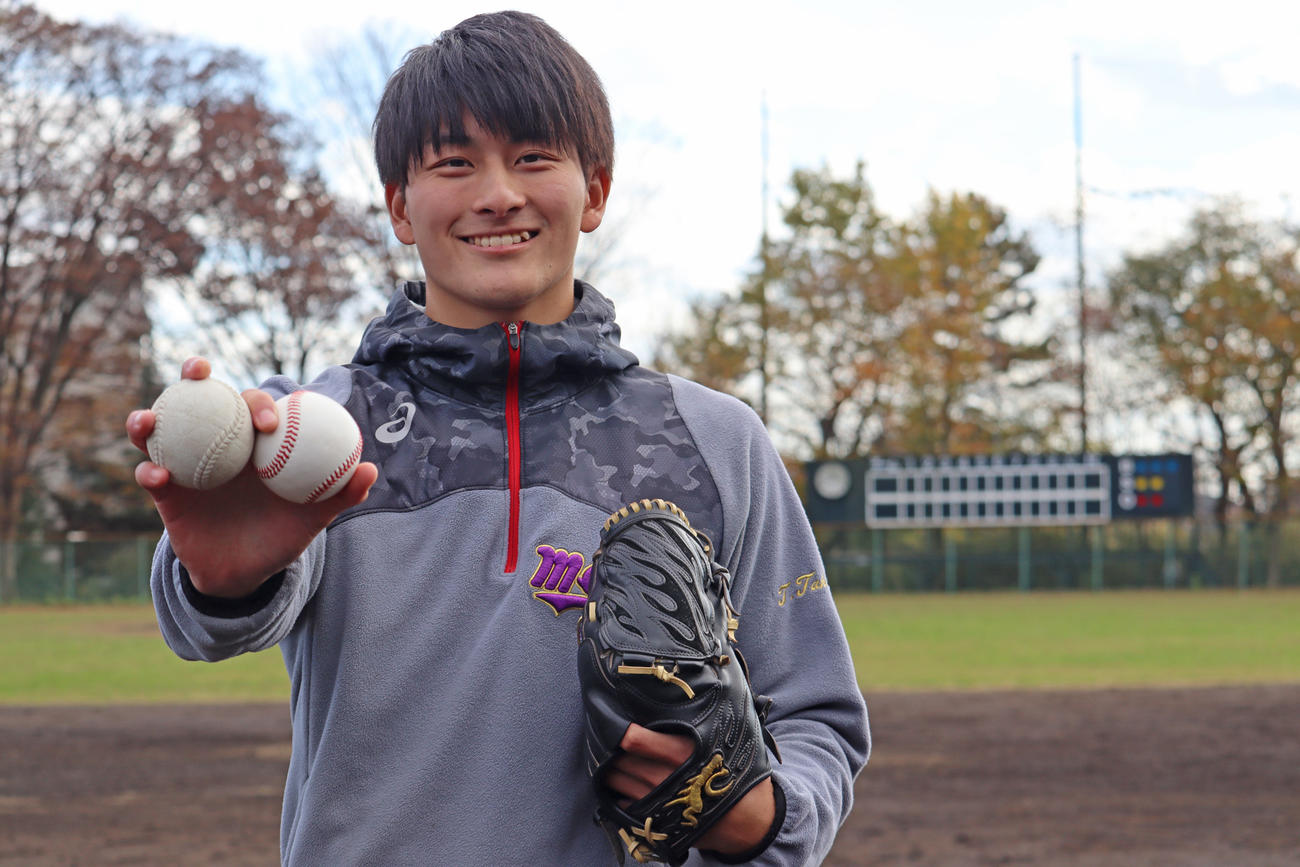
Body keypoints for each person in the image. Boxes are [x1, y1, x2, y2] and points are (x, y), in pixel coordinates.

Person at [126, 11, 869, 865]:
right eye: (454, 163)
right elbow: (208, 626)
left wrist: (761, 815)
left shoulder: (714, 440)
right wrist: (220, 586)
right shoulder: (318, 432)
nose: (498, 193)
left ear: (594, 190)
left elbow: (817, 717)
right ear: (401, 207)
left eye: (532, 157)